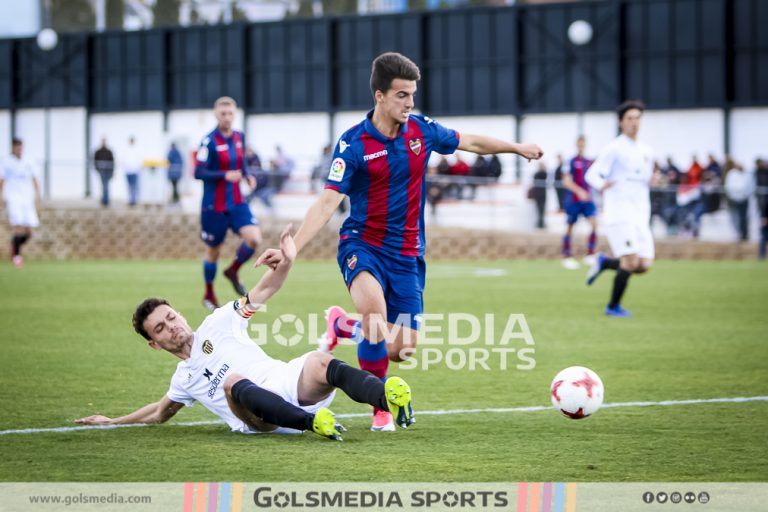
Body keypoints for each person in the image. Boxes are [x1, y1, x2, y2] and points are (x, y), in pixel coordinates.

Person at [256, 52, 543, 431]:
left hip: (407, 254)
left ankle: (343, 326)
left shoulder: (421, 130)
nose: (409, 103)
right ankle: (380, 406)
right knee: (376, 320)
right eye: (402, 95)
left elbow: (470, 142)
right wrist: (294, 248)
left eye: (412, 95)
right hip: (362, 245)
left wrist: (516, 147)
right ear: (379, 96)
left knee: (403, 349)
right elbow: (328, 202)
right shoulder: (353, 143)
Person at [74, 225, 414, 440]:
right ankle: (313, 425)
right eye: (161, 328)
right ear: (154, 343)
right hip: (258, 419)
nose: (172, 326)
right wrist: (112, 421)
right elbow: (158, 414)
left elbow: (263, 291)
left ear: (179, 313)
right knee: (232, 382)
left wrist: (287, 262)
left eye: (171, 316)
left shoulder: (219, 321)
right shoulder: (184, 377)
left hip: (285, 383)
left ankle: (388, 398)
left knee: (320, 361)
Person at [585, 100, 655, 317]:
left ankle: (604, 262)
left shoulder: (646, 150)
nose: (634, 123)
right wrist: (602, 184)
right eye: (630, 119)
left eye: (637, 118)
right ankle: (613, 306)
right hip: (620, 213)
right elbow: (592, 175)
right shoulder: (614, 147)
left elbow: (645, 180)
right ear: (621, 122)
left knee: (644, 265)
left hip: (640, 214)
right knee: (630, 261)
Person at [195, 96, 262, 311]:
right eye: (223, 113)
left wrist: (247, 175)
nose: (227, 117)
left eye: (230, 113)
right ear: (216, 115)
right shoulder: (208, 141)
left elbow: (241, 164)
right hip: (214, 206)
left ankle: (233, 270)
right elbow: (198, 172)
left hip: (236, 202)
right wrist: (225, 175)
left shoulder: (239, 137)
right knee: (214, 251)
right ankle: (209, 293)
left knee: (254, 238)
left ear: (235, 114)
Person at [0, 138, 41, 268]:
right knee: (18, 227)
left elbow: (35, 178)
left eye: (21, 148)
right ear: (13, 148)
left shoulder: (29, 160)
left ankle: (14, 244)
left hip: (27, 198)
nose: (19, 150)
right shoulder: (6, 162)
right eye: (17, 148)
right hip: (13, 197)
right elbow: (2, 180)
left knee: (29, 231)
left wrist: (38, 196)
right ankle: (17, 257)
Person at [560, 135, 597, 269]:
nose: (581, 145)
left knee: (594, 223)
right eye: (579, 143)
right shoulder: (570, 161)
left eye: (583, 143)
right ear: (576, 144)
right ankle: (567, 256)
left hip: (587, 199)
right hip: (574, 200)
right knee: (570, 226)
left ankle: (590, 254)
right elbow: (566, 181)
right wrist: (578, 191)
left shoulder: (589, 162)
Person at [724, 162, 753, 242]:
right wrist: (734, 195)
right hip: (734, 199)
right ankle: (737, 233)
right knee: (735, 217)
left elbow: (750, 186)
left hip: (744, 198)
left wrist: (745, 195)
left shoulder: (747, 174)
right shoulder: (731, 174)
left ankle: (744, 234)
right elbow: (729, 186)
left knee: (744, 217)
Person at [93, 138, 114, 207]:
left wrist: (112, 171)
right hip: (102, 170)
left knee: (106, 185)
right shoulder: (98, 151)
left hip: (108, 170)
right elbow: (95, 160)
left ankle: (105, 200)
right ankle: (105, 200)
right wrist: (97, 169)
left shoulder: (109, 151)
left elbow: (112, 162)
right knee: (104, 185)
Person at [124, 136, 142, 207]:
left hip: (134, 171)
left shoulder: (136, 150)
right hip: (128, 171)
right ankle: (131, 200)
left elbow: (139, 160)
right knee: (130, 186)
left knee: (134, 186)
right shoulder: (126, 150)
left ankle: (133, 200)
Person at [531, 161, 548, 229]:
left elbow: (543, 175)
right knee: (538, 209)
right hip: (538, 194)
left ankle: (541, 223)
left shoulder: (543, 173)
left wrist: (543, 168)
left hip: (542, 194)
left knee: (542, 210)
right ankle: (540, 223)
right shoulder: (538, 173)